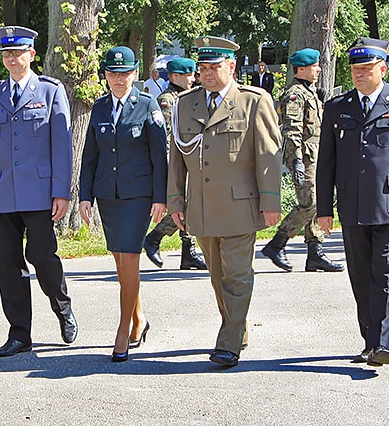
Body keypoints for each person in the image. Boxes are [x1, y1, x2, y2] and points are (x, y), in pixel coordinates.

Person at [316, 37, 389, 368]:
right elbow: (327, 162)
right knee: (360, 274)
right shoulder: (338, 107)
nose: (359, 75)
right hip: (352, 204)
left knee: (385, 271)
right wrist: (324, 208)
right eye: (355, 69)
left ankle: (381, 342)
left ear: (383, 69)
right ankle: (369, 340)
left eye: (366, 69)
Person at [168, 36, 282, 368]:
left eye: (214, 67)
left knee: (236, 274)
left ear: (231, 67)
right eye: (202, 67)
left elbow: (268, 155)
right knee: (217, 276)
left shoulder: (253, 101)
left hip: (239, 205)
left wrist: (271, 200)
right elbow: (176, 158)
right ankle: (238, 327)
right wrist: (175, 199)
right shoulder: (185, 104)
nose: (206, 73)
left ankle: (228, 342)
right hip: (200, 207)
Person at [0, 26, 77, 357]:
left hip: (40, 191)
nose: (12, 59)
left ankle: (62, 308)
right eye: (6, 54)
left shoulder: (50, 91)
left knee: (42, 257)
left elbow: (62, 146)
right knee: (9, 265)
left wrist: (61, 191)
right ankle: (19, 333)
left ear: (31, 55)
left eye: (18, 53)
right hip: (4, 192)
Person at [79, 46, 168, 361]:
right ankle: (139, 319)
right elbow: (90, 155)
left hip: (138, 195)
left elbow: (160, 155)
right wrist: (84, 195)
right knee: (120, 260)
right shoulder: (100, 108)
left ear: (134, 75)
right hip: (108, 194)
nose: (119, 79)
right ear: (105, 76)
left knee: (129, 259)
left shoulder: (147, 105)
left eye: (125, 73)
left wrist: (161, 197)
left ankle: (122, 328)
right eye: (113, 73)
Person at [260, 48, 343, 273]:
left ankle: (315, 252)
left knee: (319, 201)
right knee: (311, 203)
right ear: (302, 68)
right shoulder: (295, 94)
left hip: (315, 154)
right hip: (303, 156)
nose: (318, 70)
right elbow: (292, 130)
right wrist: (296, 160)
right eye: (315, 66)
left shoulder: (310, 92)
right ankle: (277, 243)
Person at [141, 57, 206, 271]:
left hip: (188, 159)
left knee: (190, 204)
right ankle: (155, 238)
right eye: (188, 75)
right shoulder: (167, 101)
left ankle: (188, 252)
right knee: (184, 205)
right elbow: (166, 136)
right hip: (174, 162)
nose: (192, 78)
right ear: (175, 76)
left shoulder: (188, 97)